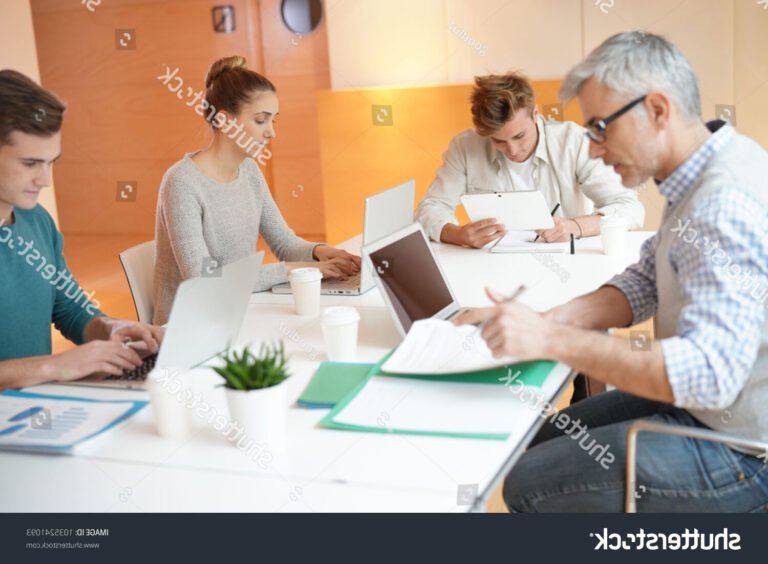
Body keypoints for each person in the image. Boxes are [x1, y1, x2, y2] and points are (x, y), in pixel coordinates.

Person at [456, 31, 768, 512]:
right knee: (538, 439)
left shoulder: (721, 202)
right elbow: (645, 281)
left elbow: (708, 373)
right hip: (710, 409)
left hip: (743, 446)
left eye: (601, 127)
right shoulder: (701, 169)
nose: (595, 149)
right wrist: (549, 319)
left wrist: (550, 341)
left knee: (527, 482)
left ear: (658, 110)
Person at [153, 56, 360, 325]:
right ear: (226, 121)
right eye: (261, 120)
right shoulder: (181, 183)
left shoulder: (249, 170)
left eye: (274, 121)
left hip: (241, 309)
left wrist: (318, 253)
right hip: (191, 327)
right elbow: (205, 280)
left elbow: (284, 243)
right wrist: (296, 270)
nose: (271, 133)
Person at [0, 70, 164, 390]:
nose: (45, 180)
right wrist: (54, 366)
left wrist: (111, 328)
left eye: (51, 162)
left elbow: (69, 308)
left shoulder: (36, 221)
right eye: (31, 164)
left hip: (38, 411)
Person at [416, 72, 644, 248]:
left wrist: (575, 226)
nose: (513, 150)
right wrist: (456, 234)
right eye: (498, 141)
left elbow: (629, 207)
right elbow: (431, 207)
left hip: (565, 265)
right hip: (492, 267)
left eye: (519, 136)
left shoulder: (572, 142)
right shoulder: (465, 147)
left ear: (536, 114)